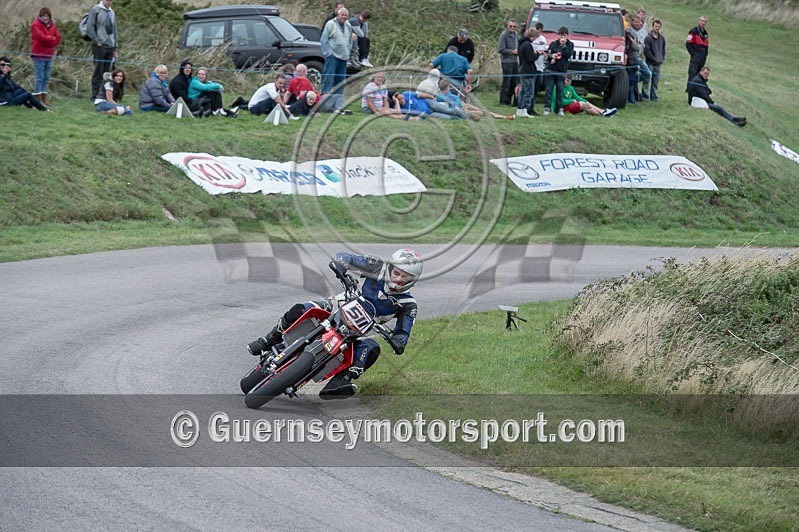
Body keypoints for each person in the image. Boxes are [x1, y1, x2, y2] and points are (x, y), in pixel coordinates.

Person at [247, 249, 423, 399]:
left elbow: (403, 332)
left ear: (412, 281)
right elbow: (348, 258)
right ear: (391, 267)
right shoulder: (377, 267)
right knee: (302, 308)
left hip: (360, 330)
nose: (398, 279)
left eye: (405, 277)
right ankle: (268, 339)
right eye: (397, 273)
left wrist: (399, 340)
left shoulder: (409, 304)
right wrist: (341, 264)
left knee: (372, 347)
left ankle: (340, 383)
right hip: (338, 304)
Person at [320, 7, 353, 113]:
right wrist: (328, 54)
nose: (344, 17)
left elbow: (350, 41)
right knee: (328, 80)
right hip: (333, 56)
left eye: (346, 15)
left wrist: (349, 51)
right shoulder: (330, 24)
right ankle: (324, 105)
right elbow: (324, 39)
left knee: (340, 82)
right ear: (338, 15)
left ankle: (337, 106)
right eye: (342, 15)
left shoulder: (348, 25)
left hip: (344, 58)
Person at [86, 0, 119, 102]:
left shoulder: (112, 12)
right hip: (100, 45)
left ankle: (104, 95)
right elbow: (90, 27)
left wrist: (115, 48)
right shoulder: (95, 10)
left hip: (110, 45)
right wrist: (97, 41)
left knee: (107, 72)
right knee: (98, 71)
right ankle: (95, 96)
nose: (110, 2)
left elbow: (114, 31)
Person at [29, 7, 61, 107]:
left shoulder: (52, 25)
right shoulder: (35, 25)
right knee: (39, 77)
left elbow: (58, 37)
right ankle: (37, 99)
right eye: (43, 16)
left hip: (49, 54)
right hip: (39, 54)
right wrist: (51, 38)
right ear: (40, 16)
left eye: (47, 16)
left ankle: (43, 97)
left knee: (46, 77)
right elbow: (41, 38)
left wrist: (52, 41)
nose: (45, 18)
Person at [543, 26, 573, 116]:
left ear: (567, 35)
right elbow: (548, 55)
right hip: (551, 70)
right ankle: (547, 108)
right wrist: (552, 57)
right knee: (549, 90)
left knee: (560, 90)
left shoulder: (570, 45)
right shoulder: (553, 43)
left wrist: (564, 46)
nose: (562, 37)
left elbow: (568, 55)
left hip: (561, 71)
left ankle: (559, 109)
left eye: (564, 35)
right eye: (561, 35)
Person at [515, 28, 539, 118]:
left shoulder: (521, 44)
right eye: (535, 37)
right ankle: (525, 109)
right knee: (528, 92)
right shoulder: (527, 45)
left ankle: (519, 109)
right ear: (532, 36)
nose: (535, 39)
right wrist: (537, 54)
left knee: (522, 91)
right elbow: (531, 58)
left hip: (522, 69)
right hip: (528, 71)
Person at [627, 16, 652, 102]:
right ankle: (627, 83)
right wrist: (641, 46)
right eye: (637, 22)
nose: (639, 24)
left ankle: (632, 99)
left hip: (632, 58)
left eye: (640, 22)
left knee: (631, 76)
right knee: (647, 74)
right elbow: (634, 46)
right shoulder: (631, 32)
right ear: (632, 22)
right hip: (634, 58)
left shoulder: (634, 32)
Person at [685, 15, 709, 99]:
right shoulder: (693, 31)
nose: (703, 23)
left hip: (702, 56)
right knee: (692, 72)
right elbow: (688, 43)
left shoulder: (705, 33)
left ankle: (698, 90)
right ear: (699, 21)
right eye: (702, 21)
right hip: (696, 54)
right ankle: (690, 90)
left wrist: (706, 54)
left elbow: (706, 45)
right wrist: (693, 54)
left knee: (700, 73)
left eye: (704, 21)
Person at [497, 19, 519, 106]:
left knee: (514, 82)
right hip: (506, 61)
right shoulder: (504, 35)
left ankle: (510, 100)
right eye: (511, 26)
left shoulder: (516, 35)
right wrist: (512, 52)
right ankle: (503, 101)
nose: (512, 28)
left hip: (515, 61)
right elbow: (500, 49)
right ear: (507, 26)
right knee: (506, 82)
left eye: (514, 26)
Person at [643, 19, 666, 102]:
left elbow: (663, 49)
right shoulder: (648, 38)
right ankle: (645, 96)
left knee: (655, 81)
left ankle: (654, 96)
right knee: (647, 80)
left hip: (658, 64)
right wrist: (653, 58)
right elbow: (646, 51)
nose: (657, 28)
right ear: (653, 27)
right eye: (656, 26)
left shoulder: (662, 39)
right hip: (650, 63)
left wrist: (662, 58)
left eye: (659, 27)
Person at [529, 22, 547, 116]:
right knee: (530, 89)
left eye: (539, 30)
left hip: (540, 67)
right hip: (533, 67)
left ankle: (532, 107)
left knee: (536, 88)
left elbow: (545, 51)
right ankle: (528, 107)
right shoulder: (531, 40)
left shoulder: (543, 39)